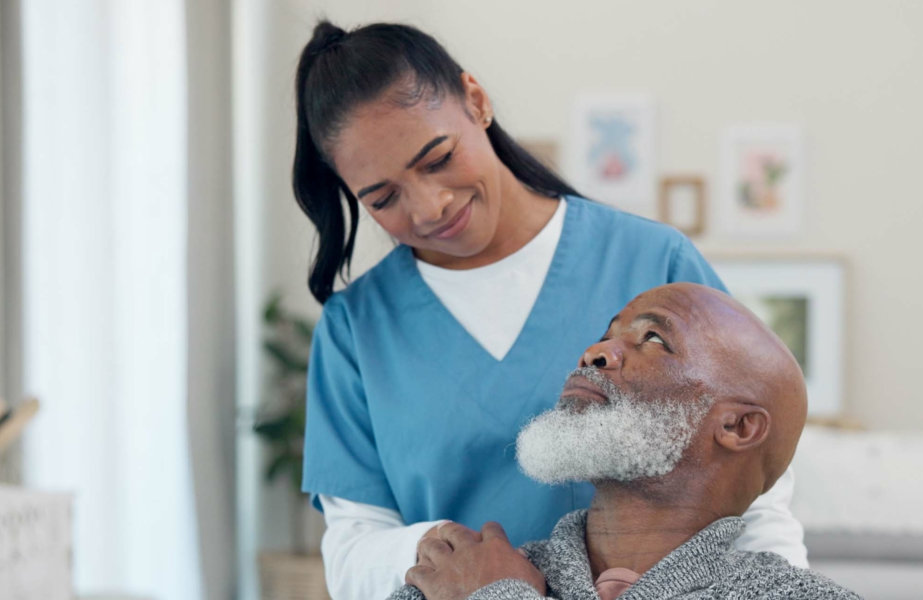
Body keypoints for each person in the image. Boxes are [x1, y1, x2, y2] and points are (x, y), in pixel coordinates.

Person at [291, 20, 808, 600]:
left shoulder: (653, 260)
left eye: (437, 159)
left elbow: (753, 485)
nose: (430, 206)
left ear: (476, 101)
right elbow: (355, 545)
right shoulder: (357, 329)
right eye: (382, 198)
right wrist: (468, 565)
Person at [390, 283, 860, 600]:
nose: (594, 353)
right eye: (605, 336)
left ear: (738, 427)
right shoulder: (455, 575)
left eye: (653, 339)